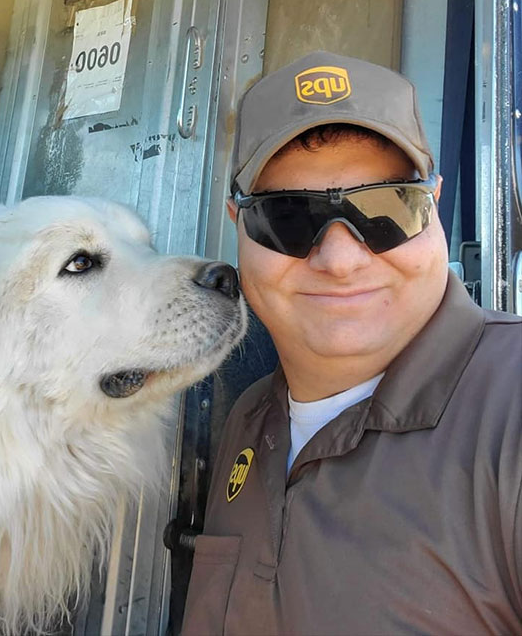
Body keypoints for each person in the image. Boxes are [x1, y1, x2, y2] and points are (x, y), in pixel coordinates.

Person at [181, 51, 522, 636]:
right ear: (238, 222)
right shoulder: (249, 420)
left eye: (386, 207)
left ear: (433, 205)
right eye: (288, 217)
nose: (340, 261)